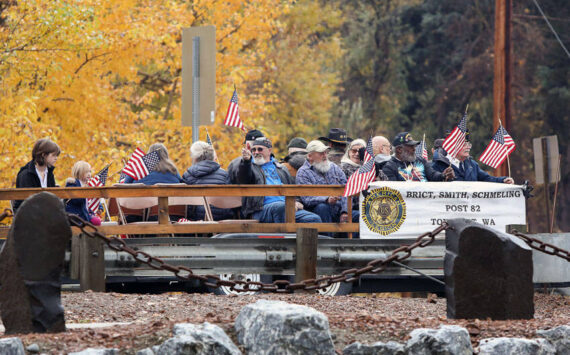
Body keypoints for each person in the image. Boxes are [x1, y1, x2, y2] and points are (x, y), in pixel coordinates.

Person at [237, 137, 321, 223]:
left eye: (260, 149)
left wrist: (295, 202)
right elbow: (243, 179)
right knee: (281, 207)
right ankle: (285, 236)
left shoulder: (281, 168)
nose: (256, 152)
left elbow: (292, 189)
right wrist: (246, 162)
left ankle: (323, 237)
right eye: (253, 150)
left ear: (269, 151)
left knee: (314, 219)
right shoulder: (249, 167)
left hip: (286, 207)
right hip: (260, 209)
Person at [296, 140, 359, 229]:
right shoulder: (303, 172)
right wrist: (326, 199)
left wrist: (345, 211)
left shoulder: (334, 167)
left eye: (325, 152)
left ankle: (357, 243)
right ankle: (326, 241)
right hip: (319, 212)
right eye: (321, 153)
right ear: (310, 156)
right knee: (323, 208)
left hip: (339, 210)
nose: (325, 156)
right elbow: (307, 198)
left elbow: (347, 189)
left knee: (360, 216)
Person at [182, 141, 233, 220]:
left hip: (196, 219)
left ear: (195, 158)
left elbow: (185, 205)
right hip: (222, 218)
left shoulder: (188, 175)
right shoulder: (224, 175)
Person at [383, 132, 455, 182]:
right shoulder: (389, 167)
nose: (414, 149)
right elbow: (394, 190)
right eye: (411, 146)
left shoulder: (420, 160)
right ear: (399, 149)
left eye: (414, 146)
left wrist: (443, 175)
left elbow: (432, 175)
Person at [13, 138, 61, 213]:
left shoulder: (49, 173)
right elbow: (27, 203)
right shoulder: (26, 174)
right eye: (53, 155)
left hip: (46, 215)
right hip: (27, 216)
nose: (56, 158)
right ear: (43, 155)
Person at [432, 141, 514, 184]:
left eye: (469, 144)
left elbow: (487, 179)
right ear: (453, 147)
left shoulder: (472, 165)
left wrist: (503, 180)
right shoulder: (438, 165)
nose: (468, 147)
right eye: (464, 144)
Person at [64, 161, 101, 225]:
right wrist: (84, 192)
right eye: (86, 172)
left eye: (90, 171)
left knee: (98, 220)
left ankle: (89, 234)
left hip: (84, 214)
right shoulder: (73, 183)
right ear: (79, 172)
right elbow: (76, 200)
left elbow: (86, 204)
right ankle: (88, 234)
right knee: (96, 221)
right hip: (75, 215)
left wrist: (91, 212)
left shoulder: (86, 185)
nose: (89, 174)